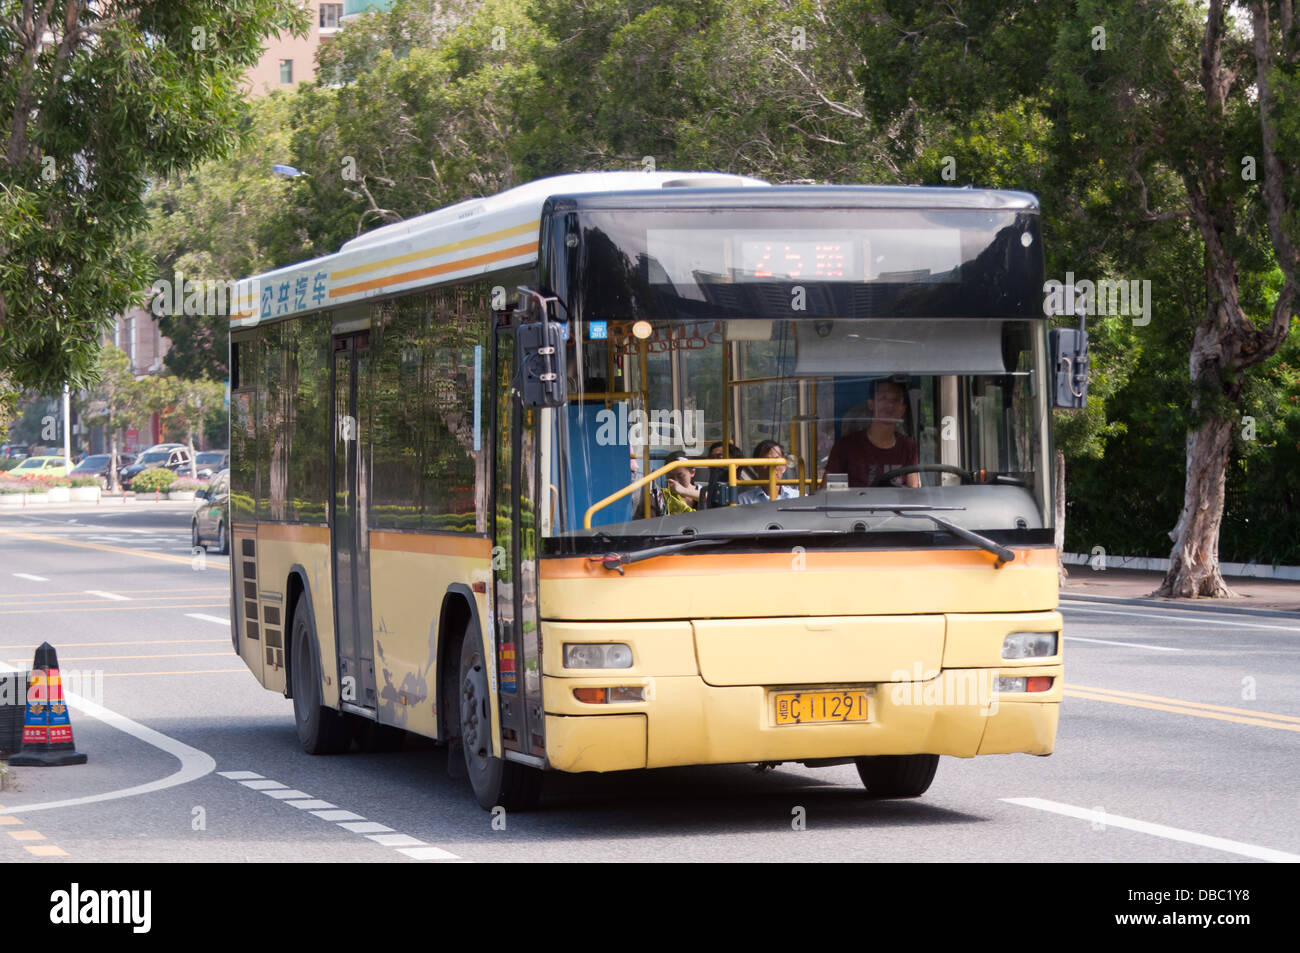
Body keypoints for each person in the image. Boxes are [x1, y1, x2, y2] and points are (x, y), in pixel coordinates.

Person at [823, 379, 920, 488]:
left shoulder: (908, 447)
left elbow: (913, 492)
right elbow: (829, 495)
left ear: (903, 409)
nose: (890, 405)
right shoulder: (845, 447)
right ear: (871, 404)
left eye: (896, 400)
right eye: (884, 398)